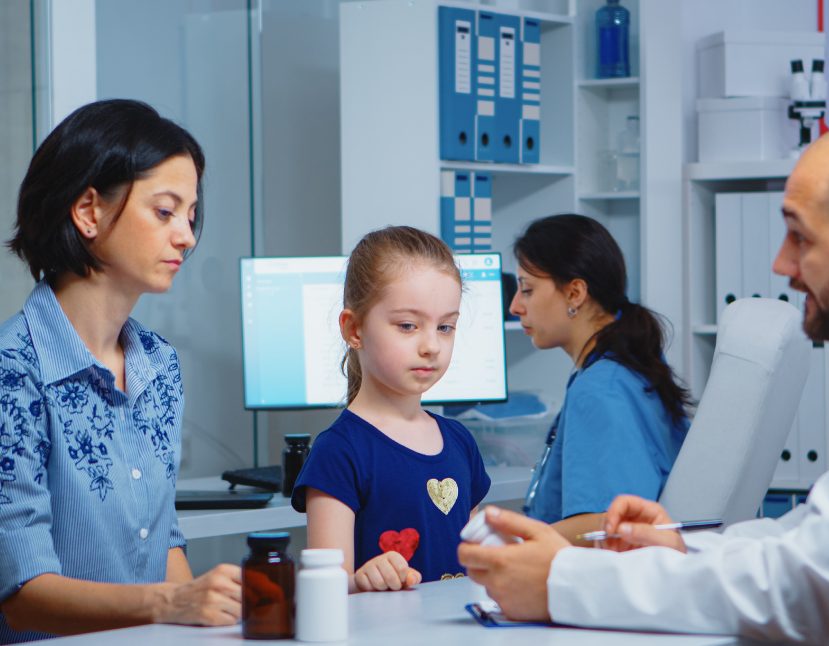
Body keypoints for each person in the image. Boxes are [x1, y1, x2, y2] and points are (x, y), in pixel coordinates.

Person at [459, 115, 829, 643]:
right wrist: (681, 549)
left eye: (800, 236)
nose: (782, 264)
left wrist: (563, 581)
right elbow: (812, 537)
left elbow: (807, 586)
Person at [0, 99, 242, 641]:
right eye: (164, 211)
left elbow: (164, 542)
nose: (187, 236)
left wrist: (204, 620)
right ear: (88, 212)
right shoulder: (12, 371)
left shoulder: (159, 364)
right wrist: (174, 603)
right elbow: (22, 595)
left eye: (191, 215)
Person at [291, 226, 491, 593]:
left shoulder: (460, 442)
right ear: (354, 329)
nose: (432, 345)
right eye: (408, 326)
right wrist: (360, 582)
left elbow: (476, 564)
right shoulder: (338, 452)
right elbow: (325, 589)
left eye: (446, 327)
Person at [509, 214, 690, 542]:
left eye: (527, 289)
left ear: (575, 293)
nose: (515, 306)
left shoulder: (601, 389)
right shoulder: (627, 367)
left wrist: (517, 547)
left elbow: (606, 525)